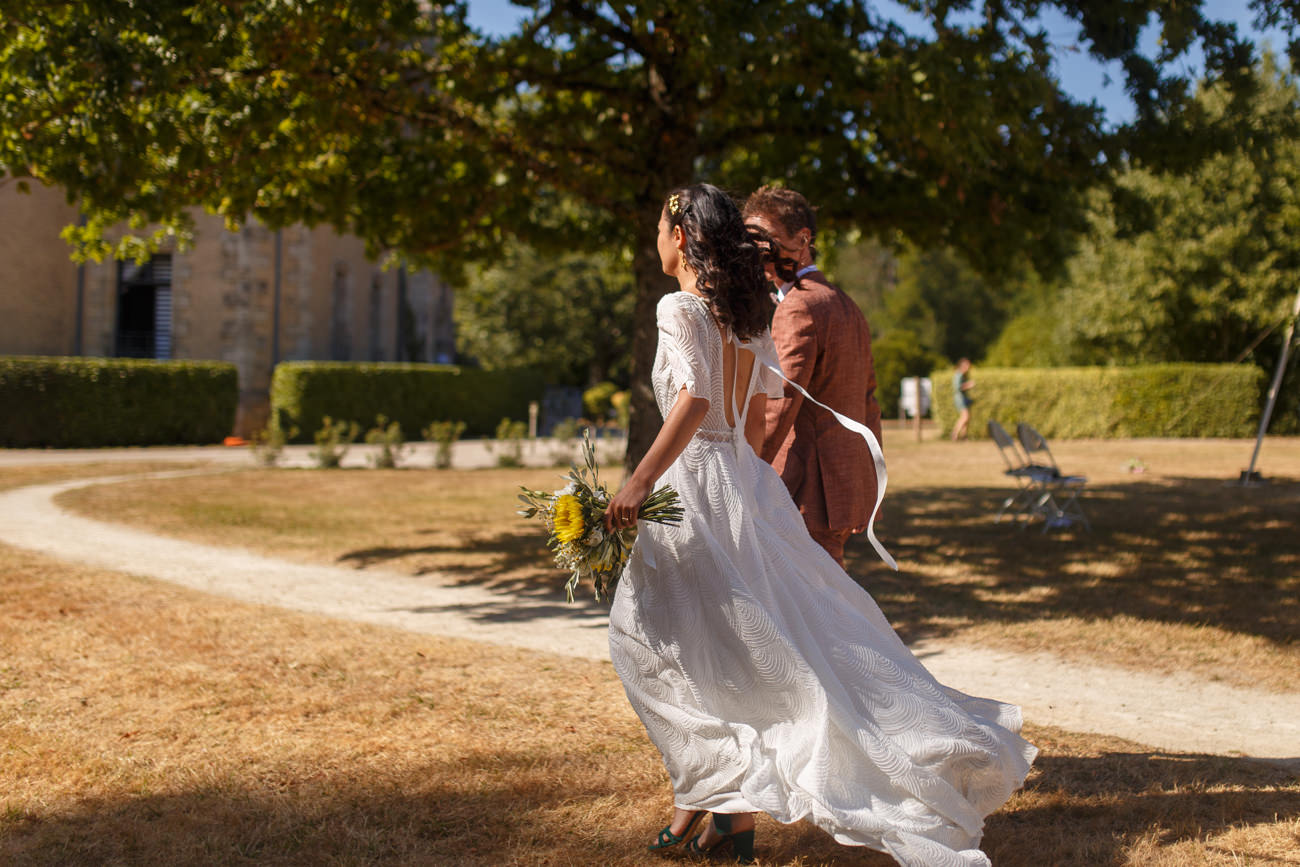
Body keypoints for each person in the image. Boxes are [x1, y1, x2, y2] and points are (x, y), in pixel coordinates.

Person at [603, 183, 1036, 867]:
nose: (653, 235)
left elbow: (698, 399)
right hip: (742, 479)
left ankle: (713, 797)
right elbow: (746, 416)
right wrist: (742, 481)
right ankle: (724, 814)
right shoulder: (744, 316)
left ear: (681, 236)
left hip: (697, 485)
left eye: (659, 223)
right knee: (729, 643)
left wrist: (640, 479)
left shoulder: (678, 307)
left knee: (645, 636)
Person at [741, 186, 882, 567]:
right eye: (751, 241)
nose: (758, 252)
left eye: (766, 239)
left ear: (802, 239)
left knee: (812, 613)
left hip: (807, 488)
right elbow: (870, 401)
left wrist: (745, 472)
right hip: (841, 488)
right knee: (826, 607)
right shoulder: (845, 304)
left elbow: (780, 400)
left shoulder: (799, 306)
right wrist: (867, 487)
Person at [952, 358, 974, 441]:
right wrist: (968, 385)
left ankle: (964, 436)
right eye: (967, 365)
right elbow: (957, 387)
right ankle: (955, 433)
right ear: (963, 366)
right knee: (965, 417)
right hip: (960, 399)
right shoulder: (959, 375)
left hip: (963, 399)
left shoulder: (963, 375)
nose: (969, 367)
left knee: (966, 418)